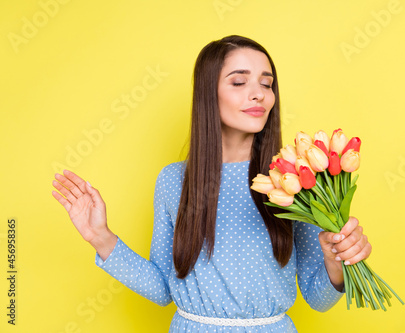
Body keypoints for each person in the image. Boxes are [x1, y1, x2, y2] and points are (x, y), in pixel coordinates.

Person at [51, 35, 372, 332]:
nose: (258, 92)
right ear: (208, 92)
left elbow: (318, 298)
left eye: (267, 83)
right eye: (239, 81)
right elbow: (164, 289)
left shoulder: (296, 179)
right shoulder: (173, 181)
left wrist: (336, 259)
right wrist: (100, 237)